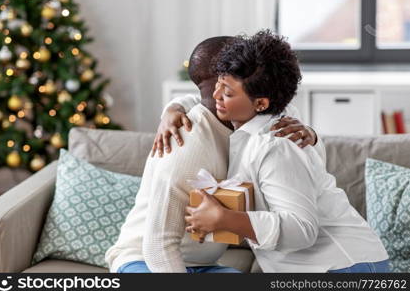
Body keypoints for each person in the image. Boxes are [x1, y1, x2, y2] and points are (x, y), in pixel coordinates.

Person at [105, 36, 321, 273]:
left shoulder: (253, 119)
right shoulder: (186, 143)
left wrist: (310, 134)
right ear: (218, 79)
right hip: (146, 260)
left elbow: (196, 99)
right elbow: (158, 247)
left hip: (203, 265)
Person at [183, 30, 390, 273]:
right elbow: (200, 99)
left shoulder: (276, 144)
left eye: (227, 93)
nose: (215, 96)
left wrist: (224, 220)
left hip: (344, 266)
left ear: (261, 104)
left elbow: (302, 229)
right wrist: (173, 109)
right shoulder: (268, 119)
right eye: (218, 84)